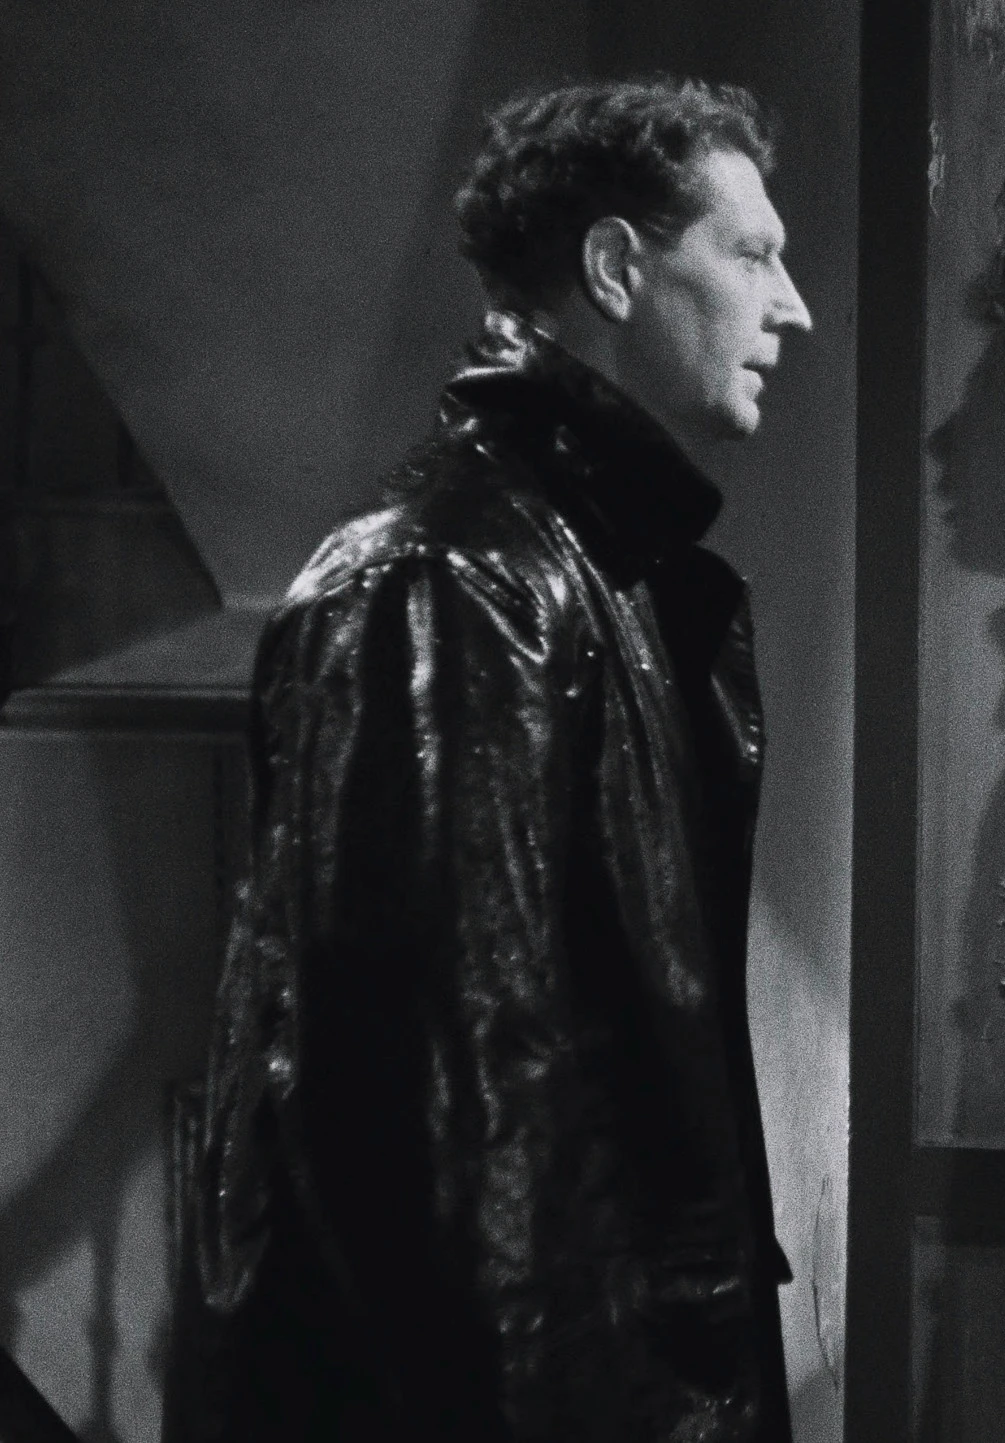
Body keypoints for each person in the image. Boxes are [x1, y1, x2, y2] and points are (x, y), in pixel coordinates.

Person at [187, 76, 812, 1442]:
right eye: (754, 253)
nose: (794, 306)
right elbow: (448, 1120)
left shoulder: (602, 570)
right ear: (617, 268)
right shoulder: (446, 580)